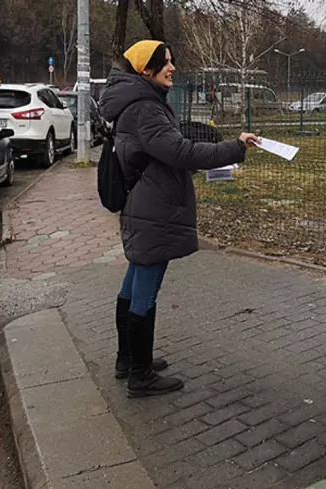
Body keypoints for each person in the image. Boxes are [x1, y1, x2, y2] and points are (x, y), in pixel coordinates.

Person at [99, 40, 259, 398]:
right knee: (145, 289)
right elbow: (179, 151)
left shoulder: (137, 102)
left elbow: (167, 145)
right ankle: (140, 375)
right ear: (145, 70)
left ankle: (128, 360)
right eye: (165, 63)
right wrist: (234, 147)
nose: (172, 67)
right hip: (153, 209)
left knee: (134, 281)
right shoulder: (145, 108)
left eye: (172, 60)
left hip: (143, 203)